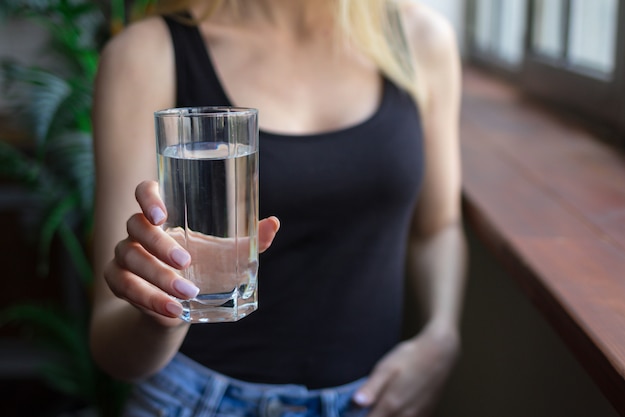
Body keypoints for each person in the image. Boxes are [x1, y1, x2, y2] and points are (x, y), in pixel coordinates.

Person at [89, 0, 466, 415]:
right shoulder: (145, 54)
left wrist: (441, 334)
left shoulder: (420, 41)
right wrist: (161, 315)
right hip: (194, 400)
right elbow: (112, 348)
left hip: (370, 402)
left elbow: (438, 228)